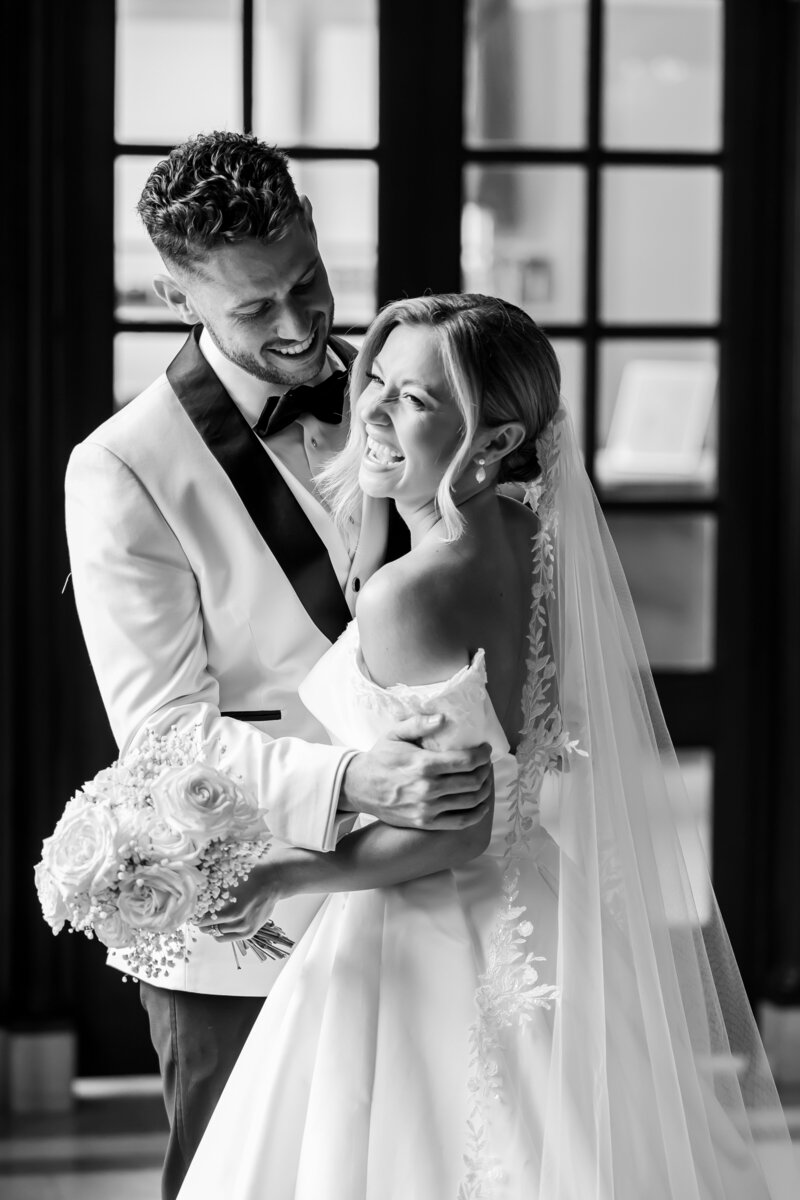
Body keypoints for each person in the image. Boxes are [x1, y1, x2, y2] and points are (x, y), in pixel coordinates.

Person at [177, 294, 798, 1200]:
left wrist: (285, 873)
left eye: (415, 400)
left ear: (499, 438)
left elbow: (456, 831)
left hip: (430, 933)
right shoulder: (529, 535)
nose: (373, 411)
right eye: (377, 382)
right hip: (540, 904)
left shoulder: (408, 594)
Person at [64, 135, 493, 1200]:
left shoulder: (412, 394)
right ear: (175, 298)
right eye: (255, 308)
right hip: (245, 916)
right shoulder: (122, 467)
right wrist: (355, 781)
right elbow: (162, 734)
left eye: (307, 281)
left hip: (436, 887)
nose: (300, 325)